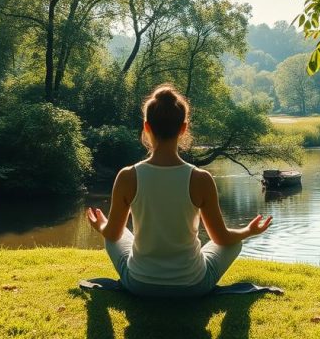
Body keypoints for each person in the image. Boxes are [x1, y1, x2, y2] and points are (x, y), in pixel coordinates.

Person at [85, 84, 273, 297]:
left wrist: (100, 225)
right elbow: (221, 239)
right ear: (183, 128)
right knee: (234, 243)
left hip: (139, 283)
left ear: (147, 127)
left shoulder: (127, 176)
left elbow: (112, 234)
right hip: (192, 286)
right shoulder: (200, 178)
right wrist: (248, 231)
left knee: (115, 236)